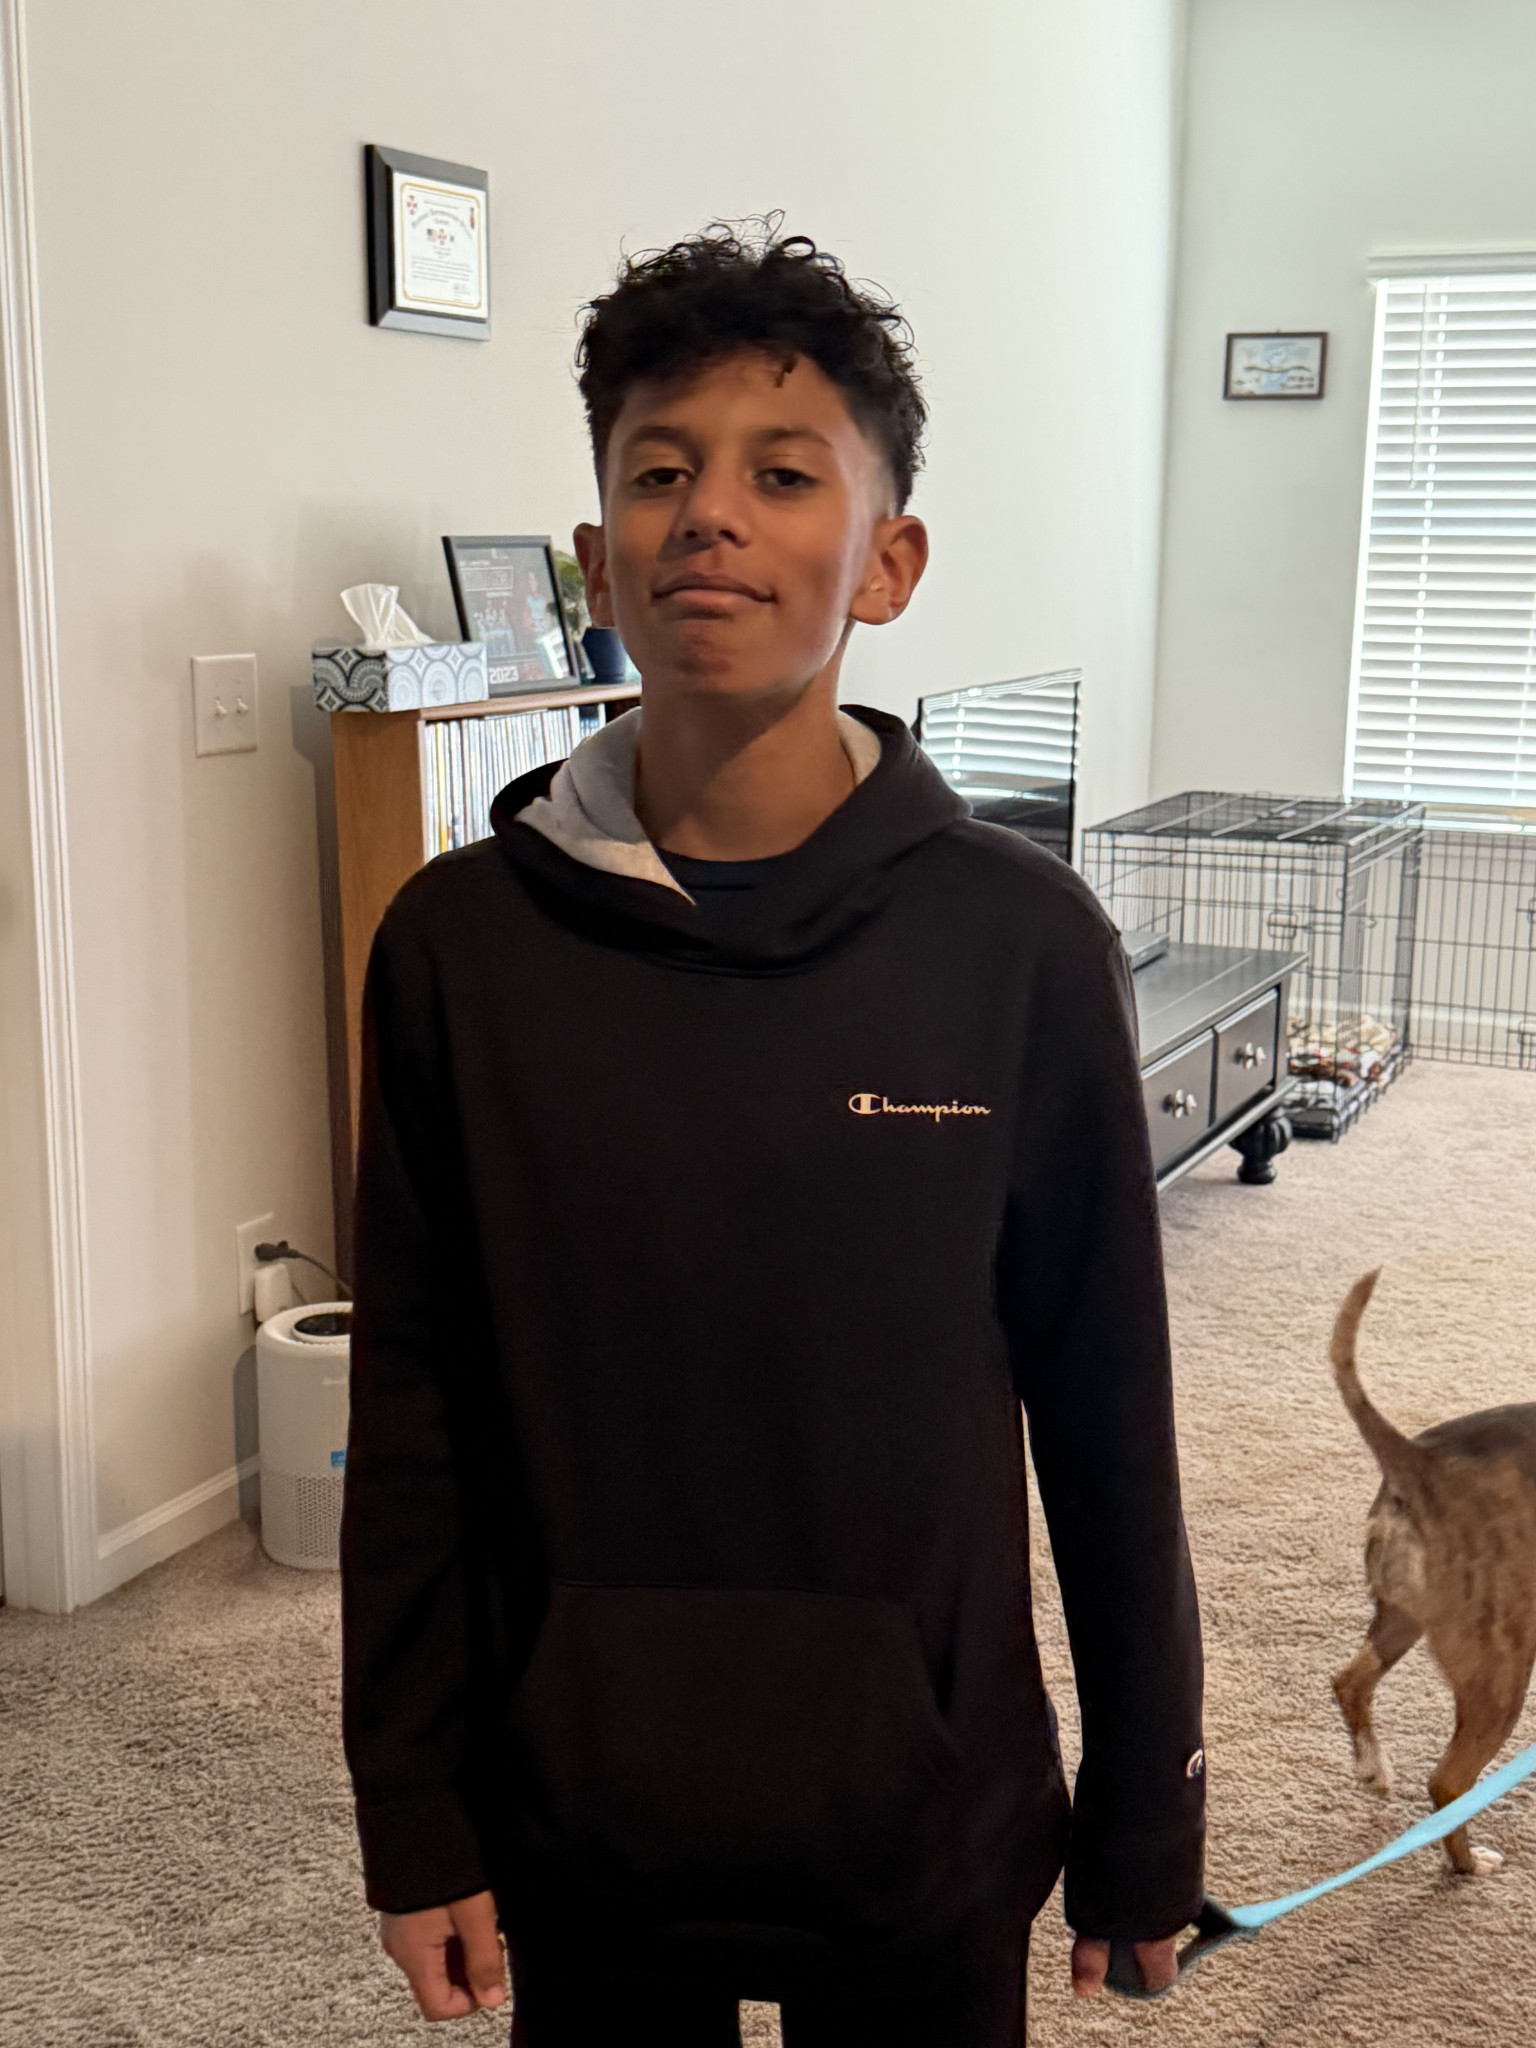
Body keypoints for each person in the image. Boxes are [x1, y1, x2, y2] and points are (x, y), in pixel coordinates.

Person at [341, 223, 1205, 2047]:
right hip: (577, 1804)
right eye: (659, 473)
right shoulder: (456, 952)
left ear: (887, 563)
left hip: (924, 1812)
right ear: (596, 560)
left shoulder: (1023, 948)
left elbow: (1109, 1418)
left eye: (783, 475)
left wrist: (1147, 1809)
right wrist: (412, 1810)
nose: (709, 516)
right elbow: (415, 1417)